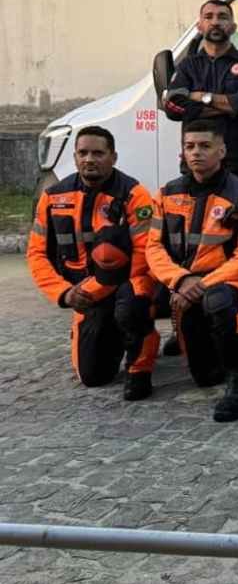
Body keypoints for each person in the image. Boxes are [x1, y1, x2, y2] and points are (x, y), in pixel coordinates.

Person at [145, 120, 238, 422]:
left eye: (204, 146)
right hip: (183, 285)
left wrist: (204, 283)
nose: (196, 153)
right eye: (190, 147)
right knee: (206, 376)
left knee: (220, 303)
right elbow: (153, 248)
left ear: (222, 150)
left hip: (229, 282)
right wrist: (182, 279)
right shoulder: (165, 195)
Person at [27, 126, 160, 400]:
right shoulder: (53, 197)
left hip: (126, 284)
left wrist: (93, 290)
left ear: (113, 157)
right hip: (83, 295)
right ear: (74, 158)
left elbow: (144, 255)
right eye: (83, 153)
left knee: (133, 308)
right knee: (93, 378)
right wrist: (64, 293)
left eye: (98, 153)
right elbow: (37, 254)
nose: (90, 159)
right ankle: (103, 334)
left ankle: (139, 365)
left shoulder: (134, 195)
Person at [162, 0, 238, 193]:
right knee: (196, 222)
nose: (216, 22)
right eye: (208, 17)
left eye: (222, 17)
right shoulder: (188, 65)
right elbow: (172, 107)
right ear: (200, 26)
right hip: (196, 169)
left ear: (233, 27)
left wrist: (199, 97)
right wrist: (229, 106)